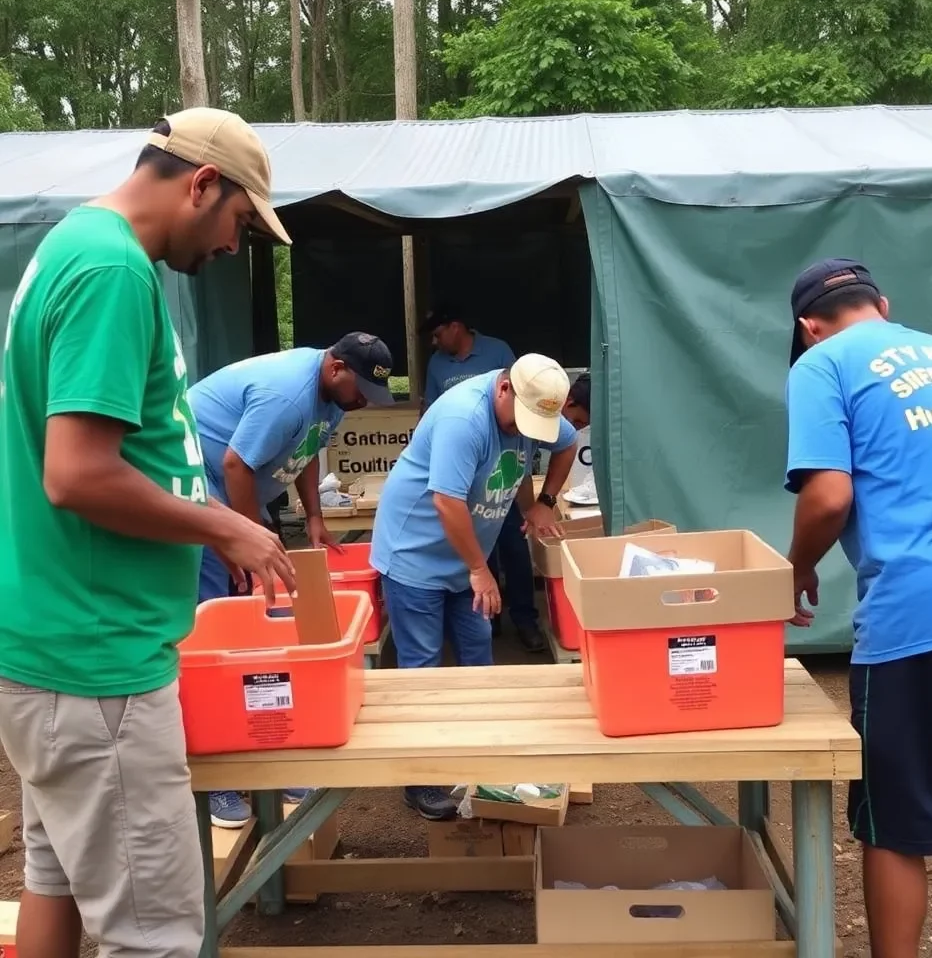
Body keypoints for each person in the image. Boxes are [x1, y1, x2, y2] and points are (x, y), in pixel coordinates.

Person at [0, 107, 297, 958]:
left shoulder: (74, 246)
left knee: (52, 880)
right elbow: (77, 472)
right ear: (201, 183)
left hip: (52, 647)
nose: (238, 247)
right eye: (241, 221)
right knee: (155, 936)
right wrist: (223, 526)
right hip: (97, 667)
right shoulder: (112, 272)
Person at [784, 257, 932, 958]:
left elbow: (828, 496)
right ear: (882, 304)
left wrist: (795, 569)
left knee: (893, 824)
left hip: (920, 613)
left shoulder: (822, 364)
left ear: (808, 327)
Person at [187, 332, 395, 828]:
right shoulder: (286, 394)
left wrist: (314, 517)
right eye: (361, 388)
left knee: (255, 620)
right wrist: (244, 536)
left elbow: (305, 453)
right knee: (216, 631)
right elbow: (235, 464)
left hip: (235, 501)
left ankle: (266, 756)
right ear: (336, 368)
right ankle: (215, 779)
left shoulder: (333, 397)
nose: (365, 401)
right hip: (200, 494)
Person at [371, 354, 578, 820]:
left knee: (478, 657)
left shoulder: (536, 405)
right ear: (504, 388)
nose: (524, 431)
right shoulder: (463, 418)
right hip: (415, 554)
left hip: (465, 560)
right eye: (520, 420)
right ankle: (420, 779)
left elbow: (567, 445)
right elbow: (446, 502)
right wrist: (480, 569)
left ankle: (480, 762)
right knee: (423, 672)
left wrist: (543, 502)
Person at [420, 305, 548, 652]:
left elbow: (530, 405)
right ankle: (485, 621)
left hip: (503, 474)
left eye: (438, 333)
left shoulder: (497, 351)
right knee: (478, 553)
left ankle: (525, 619)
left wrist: (542, 501)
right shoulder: (438, 366)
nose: (434, 342)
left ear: (456, 327)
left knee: (514, 548)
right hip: (466, 476)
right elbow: (430, 412)